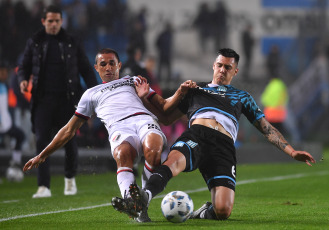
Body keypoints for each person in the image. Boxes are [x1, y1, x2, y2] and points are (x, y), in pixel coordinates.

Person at [115, 48, 315, 221]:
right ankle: (142, 199)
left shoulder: (242, 96)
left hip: (224, 147)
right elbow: (166, 117)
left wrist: (291, 152)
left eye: (228, 67)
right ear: (213, 65)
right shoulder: (195, 89)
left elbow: (266, 128)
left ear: (235, 71)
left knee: (223, 211)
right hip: (197, 135)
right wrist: (146, 97)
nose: (222, 70)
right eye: (219, 65)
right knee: (173, 163)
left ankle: (203, 212)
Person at [23, 48, 188, 222]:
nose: (108, 67)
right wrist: (43, 154)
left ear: (119, 65)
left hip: (142, 120)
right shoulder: (90, 94)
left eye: (112, 63)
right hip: (118, 127)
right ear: (96, 68)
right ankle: (136, 205)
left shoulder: (134, 81)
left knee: (153, 148)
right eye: (103, 64)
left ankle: (141, 202)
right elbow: (69, 129)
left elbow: (163, 106)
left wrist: (176, 93)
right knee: (122, 154)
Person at [17, 5, 98, 198]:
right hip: (42, 100)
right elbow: (24, 66)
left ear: (62, 22)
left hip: (67, 99)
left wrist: (96, 92)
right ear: (43, 21)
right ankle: (43, 186)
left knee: (69, 141)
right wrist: (23, 79)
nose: (54, 24)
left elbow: (86, 69)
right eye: (50, 21)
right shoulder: (34, 42)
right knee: (42, 141)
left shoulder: (72, 42)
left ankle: (70, 179)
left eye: (57, 21)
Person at [0, 65, 25, 180]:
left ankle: (15, 163)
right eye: (3, 72)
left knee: (20, 136)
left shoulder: (4, 86)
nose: (5, 75)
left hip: (6, 123)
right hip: (2, 124)